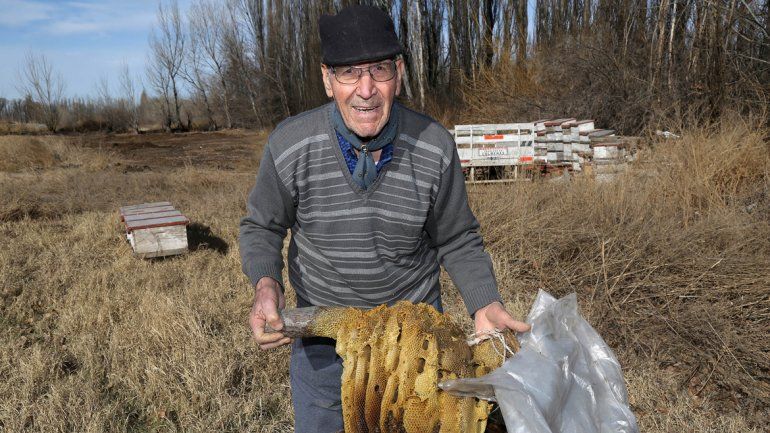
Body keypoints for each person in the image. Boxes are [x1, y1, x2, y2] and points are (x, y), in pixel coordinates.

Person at [239, 5, 530, 433]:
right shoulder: (290, 144)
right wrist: (266, 283)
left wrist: (485, 303)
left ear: (399, 72)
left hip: (415, 347)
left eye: (379, 70)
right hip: (323, 343)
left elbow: (457, 238)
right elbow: (262, 226)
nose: (366, 90)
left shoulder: (434, 146)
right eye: (349, 73)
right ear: (327, 79)